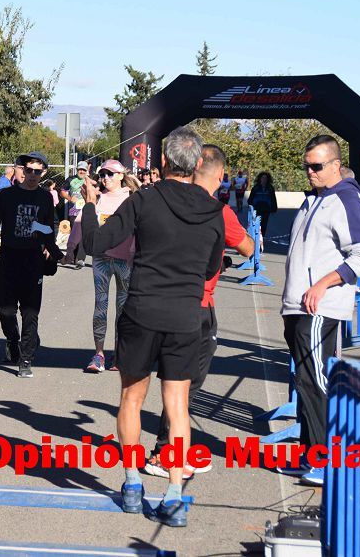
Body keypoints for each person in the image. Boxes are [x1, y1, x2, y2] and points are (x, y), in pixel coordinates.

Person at [82, 126, 225, 528]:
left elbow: (97, 243)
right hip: (185, 317)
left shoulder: (143, 199)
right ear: (198, 164)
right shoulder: (214, 211)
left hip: (142, 310)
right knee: (177, 406)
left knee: (131, 398)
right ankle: (175, 494)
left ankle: (131, 483)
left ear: (162, 162)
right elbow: (213, 267)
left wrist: (91, 204)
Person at [142, 145, 255, 480]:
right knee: (185, 385)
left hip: (156, 300)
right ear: (221, 177)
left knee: (163, 384)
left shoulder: (164, 201)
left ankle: (170, 452)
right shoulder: (217, 212)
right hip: (197, 306)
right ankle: (165, 453)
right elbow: (249, 248)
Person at [281, 135, 360, 486]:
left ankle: (326, 460)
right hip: (297, 305)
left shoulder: (347, 200)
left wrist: (323, 284)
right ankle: (310, 456)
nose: (310, 172)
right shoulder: (317, 200)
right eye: (306, 165)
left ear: (336, 165)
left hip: (320, 307)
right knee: (304, 382)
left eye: (317, 166)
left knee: (316, 381)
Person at [0, 151, 56, 378]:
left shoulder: (45, 198)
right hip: (9, 258)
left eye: (38, 171)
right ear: (22, 171)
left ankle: (25, 359)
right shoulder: (7, 195)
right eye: (29, 170)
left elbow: (49, 228)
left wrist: (53, 251)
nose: (33, 175)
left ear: (43, 173)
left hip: (33, 260)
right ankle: (12, 340)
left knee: (30, 313)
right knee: (5, 310)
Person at [82, 160, 136, 373]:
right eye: (102, 174)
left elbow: (140, 227)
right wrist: (70, 248)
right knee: (100, 306)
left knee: (123, 308)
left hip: (125, 260)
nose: (106, 178)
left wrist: (135, 251)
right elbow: (83, 223)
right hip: (102, 259)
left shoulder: (132, 199)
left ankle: (119, 355)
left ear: (122, 175)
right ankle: (99, 354)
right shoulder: (97, 198)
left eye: (111, 174)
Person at [60, 161, 90, 268]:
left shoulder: (89, 181)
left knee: (84, 234)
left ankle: (80, 259)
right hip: (74, 211)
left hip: (86, 211)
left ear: (87, 171)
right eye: (80, 169)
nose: (81, 171)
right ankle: (72, 256)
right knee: (74, 234)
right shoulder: (70, 180)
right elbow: (62, 191)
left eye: (84, 170)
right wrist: (69, 198)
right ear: (77, 170)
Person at [247, 172, 277, 236]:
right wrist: (251, 207)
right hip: (257, 208)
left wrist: (274, 209)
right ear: (260, 179)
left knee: (264, 224)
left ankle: (262, 236)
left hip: (266, 209)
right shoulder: (255, 188)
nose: (264, 180)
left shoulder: (270, 188)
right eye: (263, 178)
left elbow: (273, 199)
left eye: (265, 178)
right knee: (257, 223)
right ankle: (256, 236)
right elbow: (250, 198)